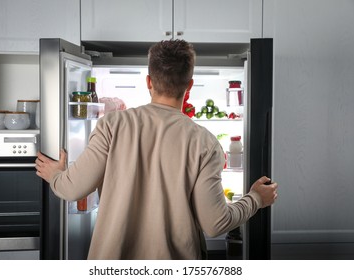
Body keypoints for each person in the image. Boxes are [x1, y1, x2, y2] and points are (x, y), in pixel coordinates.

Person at [35, 39, 278, 260]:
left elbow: (72, 188)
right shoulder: (205, 143)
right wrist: (255, 198)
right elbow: (215, 223)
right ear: (190, 85)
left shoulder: (111, 124)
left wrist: (55, 174)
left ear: (149, 82)